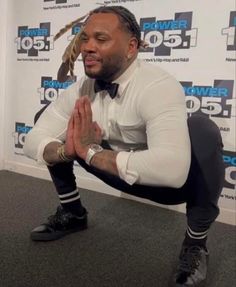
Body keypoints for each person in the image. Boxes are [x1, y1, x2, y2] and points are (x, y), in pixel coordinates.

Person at [23, 6, 224, 286]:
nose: (87, 48)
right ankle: (73, 213)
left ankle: (195, 245)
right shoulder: (81, 88)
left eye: (101, 39)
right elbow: (33, 139)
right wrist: (65, 151)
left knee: (203, 131)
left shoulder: (158, 85)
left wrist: (90, 152)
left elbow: (172, 172)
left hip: (163, 184)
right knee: (50, 124)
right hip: (109, 169)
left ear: (131, 47)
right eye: (84, 39)